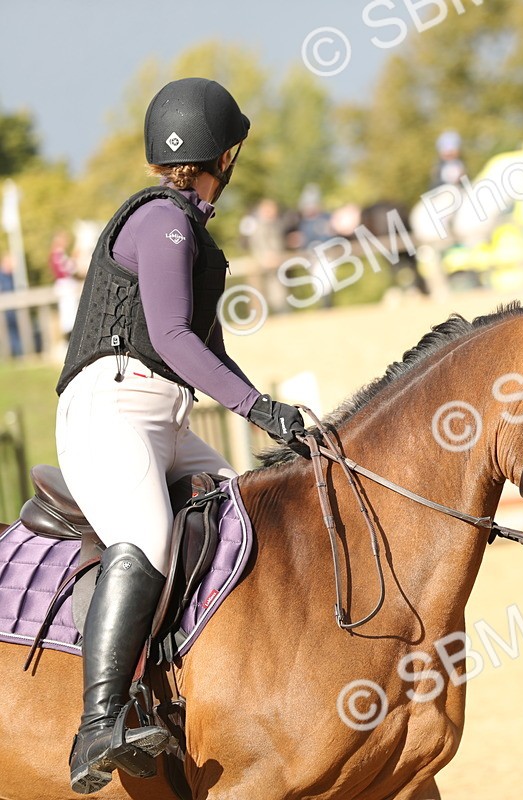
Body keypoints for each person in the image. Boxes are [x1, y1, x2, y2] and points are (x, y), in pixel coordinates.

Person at [56, 77, 308, 794]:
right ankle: (98, 724)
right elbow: (167, 335)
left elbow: (210, 354)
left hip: (163, 418)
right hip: (110, 413)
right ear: (223, 155)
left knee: (246, 513)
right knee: (148, 535)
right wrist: (256, 409)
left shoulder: (194, 236)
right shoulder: (161, 224)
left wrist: (285, 421)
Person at [50, 231, 80, 344]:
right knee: (68, 314)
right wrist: (74, 258)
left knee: (71, 312)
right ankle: (68, 340)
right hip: (65, 286)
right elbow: (66, 270)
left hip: (68, 285)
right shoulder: (57, 254)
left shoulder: (60, 254)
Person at [0, 252, 21, 357]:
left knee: (15, 333)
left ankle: (17, 354)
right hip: (5, 311)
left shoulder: (12, 277)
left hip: (12, 310)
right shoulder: (2, 277)